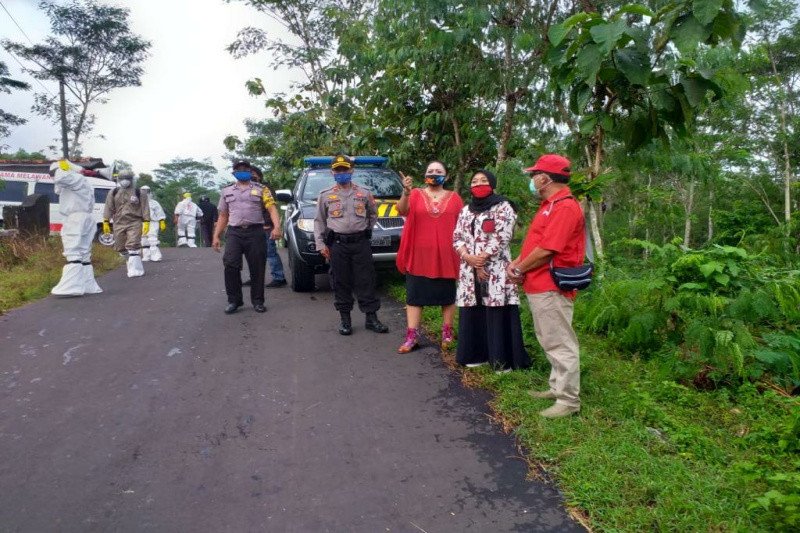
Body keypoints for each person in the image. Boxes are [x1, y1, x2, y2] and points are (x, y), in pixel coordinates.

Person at [507, 154, 585, 419]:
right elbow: (536, 243)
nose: (532, 179)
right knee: (549, 338)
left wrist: (519, 268)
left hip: (551, 284)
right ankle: (557, 387)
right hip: (538, 283)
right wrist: (517, 261)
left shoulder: (564, 207)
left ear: (545, 178)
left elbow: (549, 250)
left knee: (560, 342)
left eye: (534, 174)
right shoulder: (549, 205)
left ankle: (568, 400)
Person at [453, 169, 530, 373]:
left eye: (483, 181)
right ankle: (475, 354)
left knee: (496, 309)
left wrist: (482, 258)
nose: (478, 184)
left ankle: (501, 359)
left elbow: (502, 236)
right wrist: (469, 257)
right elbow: (457, 236)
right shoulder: (466, 210)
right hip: (469, 269)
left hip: (496, 268)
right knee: (473, 309)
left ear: (492, 184)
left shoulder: (503, 206)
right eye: (475, 181)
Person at [313, 154, 389, 335]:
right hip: (337, 245)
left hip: (360, 243)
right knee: (341, 282)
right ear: (332, 172)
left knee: (366, 281)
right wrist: (320, 244)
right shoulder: (325, 195)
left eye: (345, 170)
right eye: (338, 170)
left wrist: (364, 230)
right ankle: (345, 320)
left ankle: (371, 318)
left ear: (351, 171)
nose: (342, 173)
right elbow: (319, 221)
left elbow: (373, 215)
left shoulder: (364, 193)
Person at [395, 160, 463, 353]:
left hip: (446, 256)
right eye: (430, 170)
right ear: (425, 174)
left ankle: (447, 333)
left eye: (438, 171)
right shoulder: (415, 194)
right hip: (418, 255)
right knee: (415, 296)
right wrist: (406, 192)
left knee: (447, 296)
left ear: (446, 176)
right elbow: (402, 210)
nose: (434, 173)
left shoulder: (455, 198)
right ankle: (412, 336)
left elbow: (463, 226)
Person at [212, 160, 281, 314]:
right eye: (238, 169)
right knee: (230, 265)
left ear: (250, 171)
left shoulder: (262, 189)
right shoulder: (226, 191)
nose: (242, 171)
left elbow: (271, 209)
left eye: (245, 169)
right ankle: (234, 301)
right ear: (234, 172)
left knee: (257, 266)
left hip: (255, 232)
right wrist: (216, 236)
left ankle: (258, 301)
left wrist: (277, 227)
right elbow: (223, 215)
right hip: (234, 233)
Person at [49, 160, 103, 296]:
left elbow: (61, 178)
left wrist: (62, 166)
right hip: (86, 218)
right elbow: (59, 186)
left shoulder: (75, 178)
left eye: (53, 172)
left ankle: (71, 286)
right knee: (84, 254)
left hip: (75, 218)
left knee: (73, 251)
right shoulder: (83, 181)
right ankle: (87, 285)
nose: (53, 175)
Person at [102, 168, 149, 278]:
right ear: (119, 179)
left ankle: (136, 270)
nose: (125, 181)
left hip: (134, 222)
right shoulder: (113, 192)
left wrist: (146, 221)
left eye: (127, 178)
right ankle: (131, 262)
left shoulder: (139, 193)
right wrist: (106, 221)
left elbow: (145, 207)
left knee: (132, 245)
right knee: (120, 247)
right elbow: (108, 207)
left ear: (131, 179)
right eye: (122, 178)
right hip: (118, 222)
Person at [252, 166, 287, 288]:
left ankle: (279, 277)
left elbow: (271, 208)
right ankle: (255, 277)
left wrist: (269, 224)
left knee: (270, 252)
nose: (251, 176)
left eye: (253, 174)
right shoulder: (248, 189)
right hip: (254, 226)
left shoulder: (265, 188)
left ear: (259, 176)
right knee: (254, 254)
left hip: (266, 226)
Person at [140, 185, 167, 262]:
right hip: (142, 222)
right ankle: (146, 256)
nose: (145, 193)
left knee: (152, 239)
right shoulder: (137, 203)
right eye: (143, 191)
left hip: (152, 222)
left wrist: (162, 221)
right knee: (143, 239)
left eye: (147, 191)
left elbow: (160, 212)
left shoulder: (154, 203)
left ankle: (155, 256)